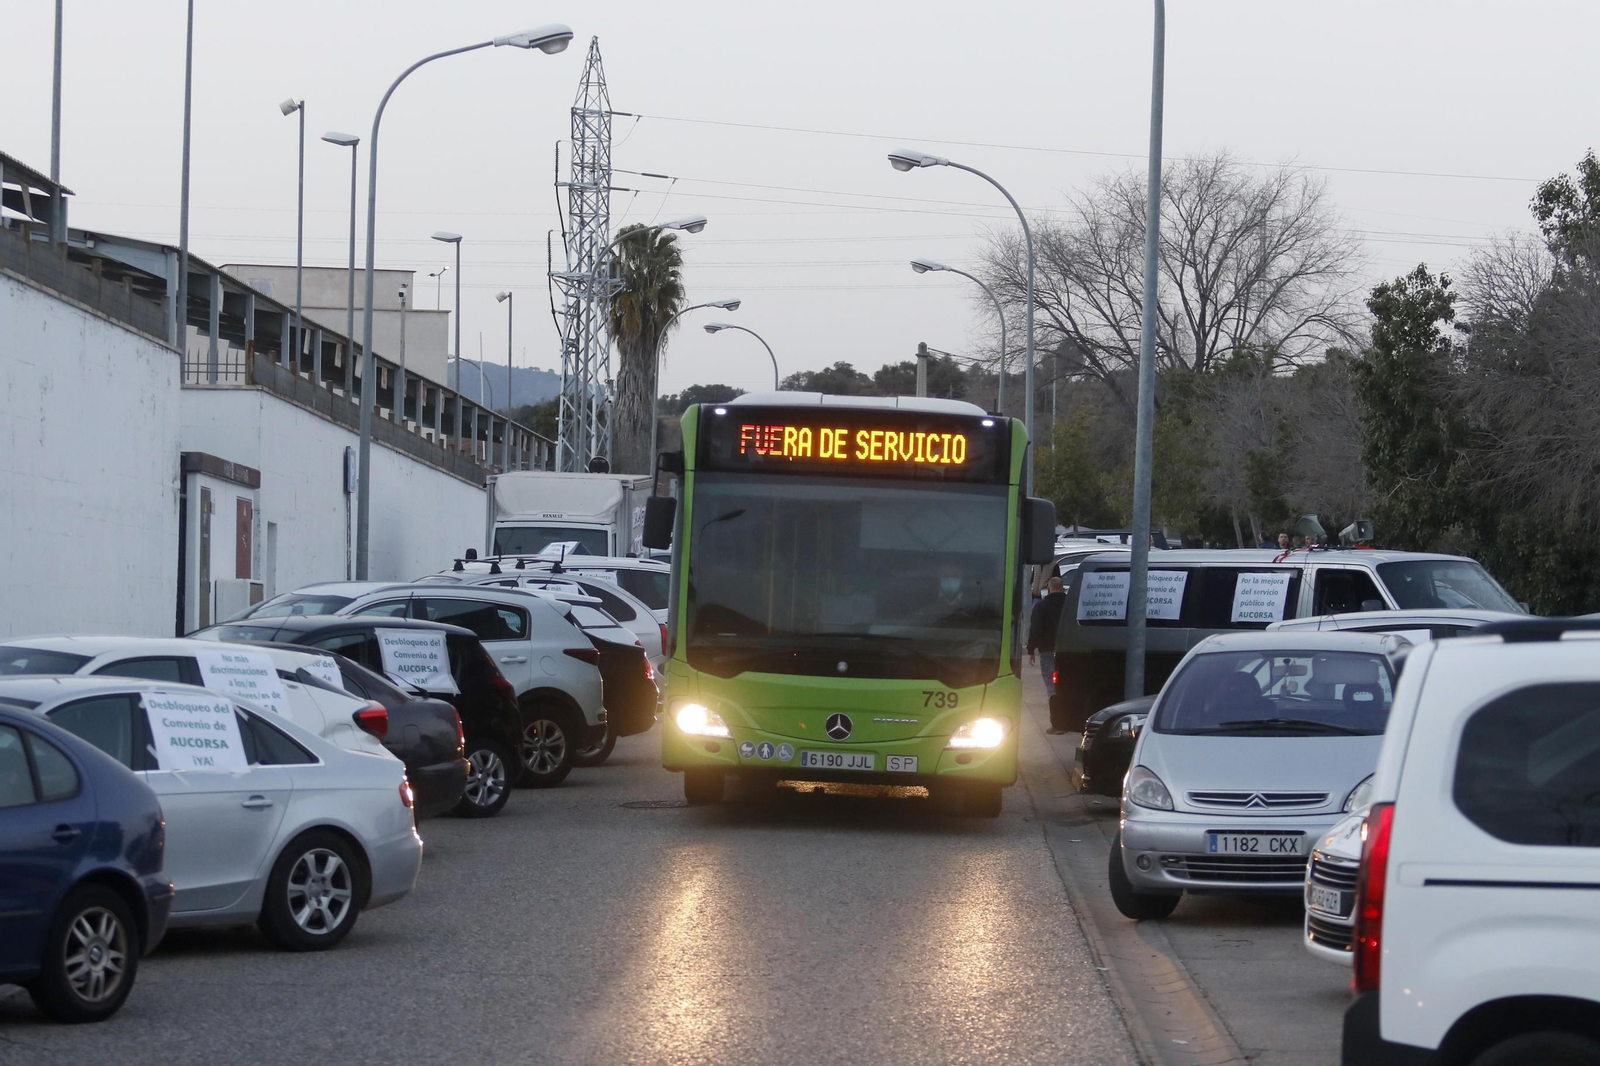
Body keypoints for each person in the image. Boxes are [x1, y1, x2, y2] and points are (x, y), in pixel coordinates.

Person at [1028, 576, 1068, 732]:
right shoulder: (1070, 605)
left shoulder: (1042, 606)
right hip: (1068, 651)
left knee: (1052, 686)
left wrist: (1031, 649)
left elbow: (1035, 629)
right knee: (1066, 684)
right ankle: (1067, 720)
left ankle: (1057, 723)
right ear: (1063, 588)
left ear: (1049, 588)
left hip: (1048, 651)